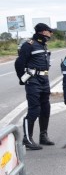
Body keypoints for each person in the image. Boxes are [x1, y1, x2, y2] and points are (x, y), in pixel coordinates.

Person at [14, 22, 55, 150]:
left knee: (45, 108)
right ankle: (27, 139)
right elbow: (19, 63)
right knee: (34, 110)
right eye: (49, 31)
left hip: (44, 80)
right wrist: (23, 79)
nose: (51, 33)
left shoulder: (43, 45)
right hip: (33, 81)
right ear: (43, 32)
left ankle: (43, 136)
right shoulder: (29, 45)